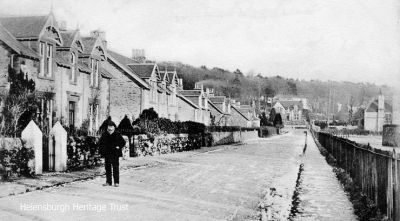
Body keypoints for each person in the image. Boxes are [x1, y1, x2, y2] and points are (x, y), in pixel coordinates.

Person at [98, 120, 126, 187]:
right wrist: (102, 152)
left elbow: (123, 142)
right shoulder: (104, 134)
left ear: (114, 128)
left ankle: (116, 182)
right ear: (107, 128)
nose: (110, 130)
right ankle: (108, 182)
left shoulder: (117, 134)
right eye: (109, 128)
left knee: (115, 168)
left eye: (111, 128)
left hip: (115, 153)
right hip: (107, 153)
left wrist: (119, 147)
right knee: (107, 168)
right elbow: (100, 144)